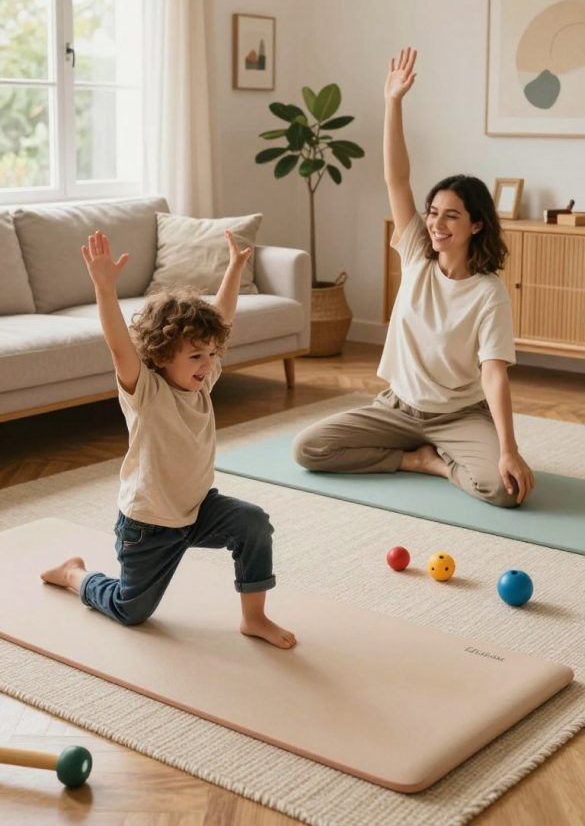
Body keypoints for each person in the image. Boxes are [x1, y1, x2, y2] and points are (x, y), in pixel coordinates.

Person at [293, 47, 535, 507]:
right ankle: (418, 460)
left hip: (458, 414)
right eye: (433, 213)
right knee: (309, 448)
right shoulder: (416, 255)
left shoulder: (488, 293)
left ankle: (443, 460)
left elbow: (494, 376)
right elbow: (397, 180)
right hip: (397, 409)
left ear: (476, 224)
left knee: (504, 491)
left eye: (452, 217)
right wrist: (393, 103)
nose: (437, 224)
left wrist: (509, 449)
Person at [42, 228, 296, 649]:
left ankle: (255, 618)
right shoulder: (145, 392)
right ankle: (75, 574)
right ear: (162, 356)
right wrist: (104, 289)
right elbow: (118, 345)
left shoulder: (202, 381)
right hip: (149, 525)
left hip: (197, 509)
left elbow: (224, 317)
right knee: (131, 612)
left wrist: (234, 268)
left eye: (211, 354)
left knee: (253, 523)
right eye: (196, 356)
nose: (208, 364)